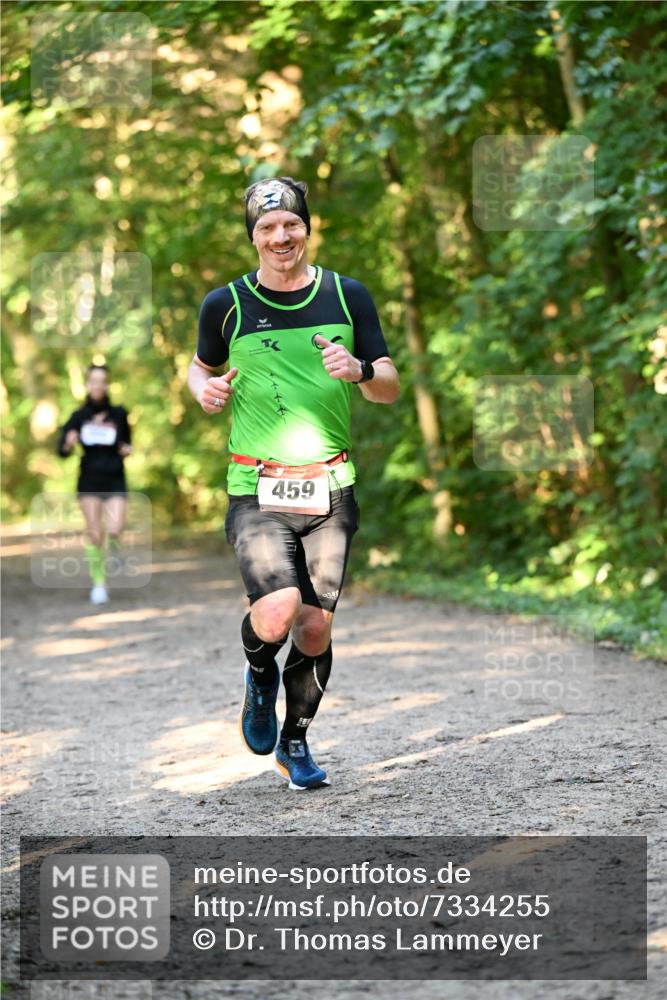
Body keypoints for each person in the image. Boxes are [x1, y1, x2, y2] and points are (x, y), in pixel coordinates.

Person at [188, 177, 399, 790]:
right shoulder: (225, 304)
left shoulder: (347, 295)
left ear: (307, 228)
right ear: (253, 237)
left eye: (291, 225)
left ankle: (295, 741)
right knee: (277, 612)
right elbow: (199, 369)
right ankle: (260, 677)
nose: (281, 236)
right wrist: (205, 390)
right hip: (257, 485)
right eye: (267, 228)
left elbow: (387, 386)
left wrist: (360, 370)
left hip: (330, 485)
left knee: (314, 627)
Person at [57, 363, 132, 604]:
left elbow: (127, 443)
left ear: (107, 385)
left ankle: (115, 548)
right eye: (94, 381)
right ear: (88, 384)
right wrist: (68, 443)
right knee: (95, 533)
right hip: (89, 480)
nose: (98, 385)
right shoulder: (78, 417)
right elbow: (62, 451)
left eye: (102, 381)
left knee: (115, 528)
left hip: (114, 478)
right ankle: (99, 585)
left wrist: (126, 449)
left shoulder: (118, 414)